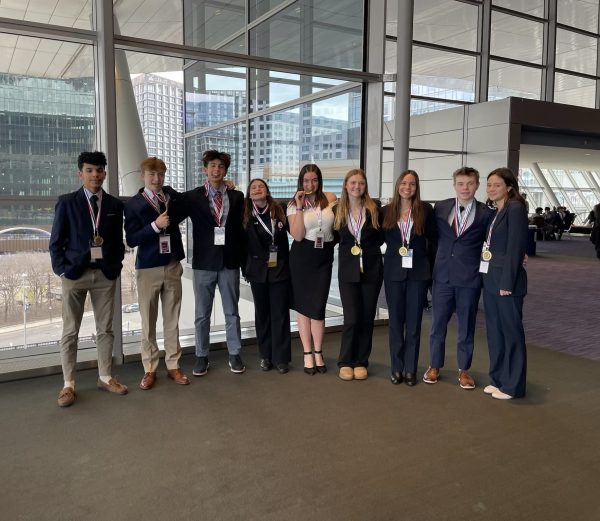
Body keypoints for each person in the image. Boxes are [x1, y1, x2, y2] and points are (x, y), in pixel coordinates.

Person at [49, 151, 126, 407]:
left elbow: (116, 242)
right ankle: (68, 384)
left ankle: (105, 377)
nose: (96, 175)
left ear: (105, 173)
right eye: (90, 170)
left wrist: (115, 266)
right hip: (74, 274)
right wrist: (62, 271)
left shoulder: (114, 205)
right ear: (80, 173)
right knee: (70, 331)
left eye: (100, 170)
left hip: (105, 274)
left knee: (105, 329)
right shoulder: (67, 202)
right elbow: (55, 243)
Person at [424, 166, 495, 389]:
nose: (465, 188)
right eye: (461, 184)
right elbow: (433, 238)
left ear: (477, 185)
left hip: (469, 279)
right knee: (438, 325)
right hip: (443, 276)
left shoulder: (486, 213)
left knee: (466, 326)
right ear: (454, 185)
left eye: (470, 184)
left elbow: (491, 243)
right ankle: (434, 365)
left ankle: (464, 369)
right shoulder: (441, 207)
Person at [176, 150, 246, 376]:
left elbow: (240, 230)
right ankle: (201, 356)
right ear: (205, 170)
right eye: (212, 166)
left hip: (229, 262)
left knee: (232, 312)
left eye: (221, 166)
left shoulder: (236, 196)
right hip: (204, 263)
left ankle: (234, 353)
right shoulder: (193, 197)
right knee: (201, 313)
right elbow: (172, 205)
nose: (216, 170)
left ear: (226, 171)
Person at [124, 157, 189, 390]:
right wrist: (155, 226)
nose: (156, 179)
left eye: (161, 174)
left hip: (172, 264)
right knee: (148, 321)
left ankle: (173, 365)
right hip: (148, 266)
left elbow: (191, 199)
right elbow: (131, 239)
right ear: (142, 176)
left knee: (172, 319)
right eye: (152, 174)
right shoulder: (133, 204)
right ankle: (149, 368)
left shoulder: (171, 197)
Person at [383, 170, 436, 386]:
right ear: (398, 186)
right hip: (394, 273)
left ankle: (410, 369)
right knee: (396, 322)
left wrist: (433, 273)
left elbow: (433, 241)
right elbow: (373, 238)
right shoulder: (386, 211)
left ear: (417, 187)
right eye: (404, 183)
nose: (408, 187)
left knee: (413, 324)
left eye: (412, 184)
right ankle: (396, 367)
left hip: (418, 273)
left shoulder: (425, 210)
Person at [481, 168, 528, 400]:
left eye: (497, 185)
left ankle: (513, 385)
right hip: (490, 278)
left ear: (509, 187)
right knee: (495, 332)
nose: (491, 189)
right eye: (489, 184)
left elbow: (516, 248)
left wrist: (507, 281)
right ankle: (498, 379)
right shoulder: (496, 210)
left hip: (506, 282)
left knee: (511, 333)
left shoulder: (516, 209)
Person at [333, 169, 383, 381]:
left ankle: (361, 361)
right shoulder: (337, 210)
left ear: (365, 186)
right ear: (346, 185)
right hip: (348, 270)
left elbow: (381, 238)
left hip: (371, 269)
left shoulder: (375, 209)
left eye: (361, 183)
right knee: (352, 317)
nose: (357, 187)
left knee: (367, 317)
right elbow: (334, 237)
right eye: (353, 183)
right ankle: (345, 361)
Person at [287, 164, 337, 375]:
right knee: (303, 307)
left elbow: (337, 225)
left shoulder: (330, 197)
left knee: (318, 307)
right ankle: (308, 353)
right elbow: (297, 235)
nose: (310, 184)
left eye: (314, 180)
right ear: (301, 181)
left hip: (323, 255)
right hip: (302, 256)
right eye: (306, 180)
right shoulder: (293, 204)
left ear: (319, 180)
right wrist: (299, 207)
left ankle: (319, 351)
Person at [243, 178, 291, 374]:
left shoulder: (279, 209)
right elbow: (241, 246)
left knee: (280, 314)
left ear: (267, 190)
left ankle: (281, 358)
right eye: (253, 187)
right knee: (262, 315)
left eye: (261, 186)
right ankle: (265, 356)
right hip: (257, 271)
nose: (257, 189)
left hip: (279, 268)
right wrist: (243, 269)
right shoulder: (245, 213)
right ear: (249, 193)